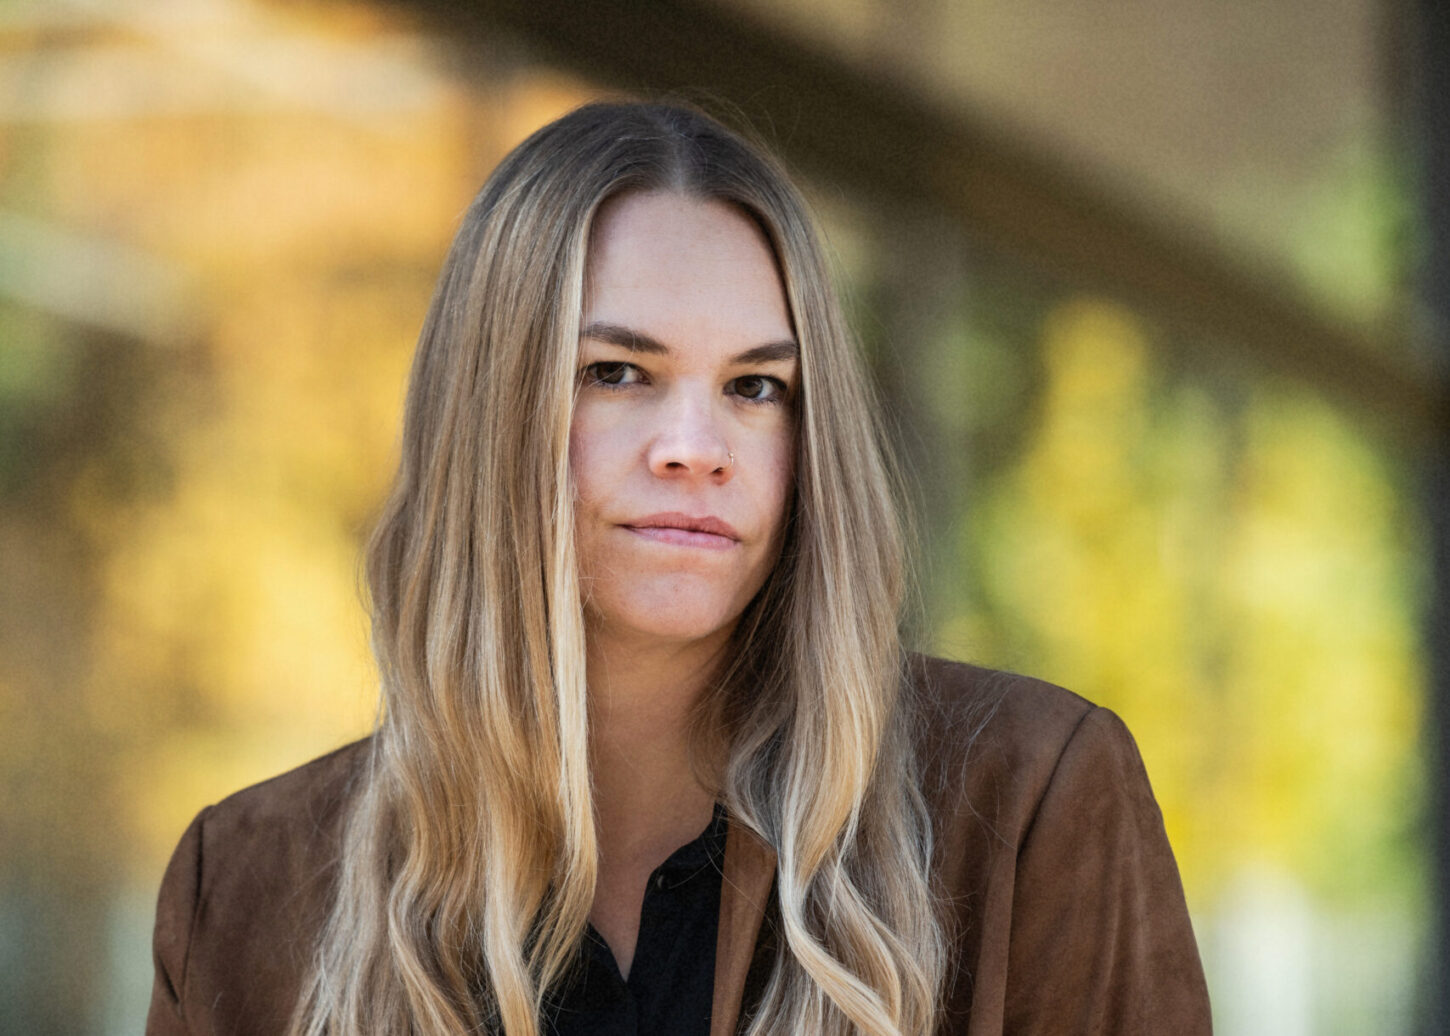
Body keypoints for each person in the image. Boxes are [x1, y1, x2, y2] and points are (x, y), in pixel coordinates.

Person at [145, 100, 1211, 1036]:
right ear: (490, 413)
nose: (695, 446)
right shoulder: (245, 888)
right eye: (617, 372)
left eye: (756, 387)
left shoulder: (1026, 802)